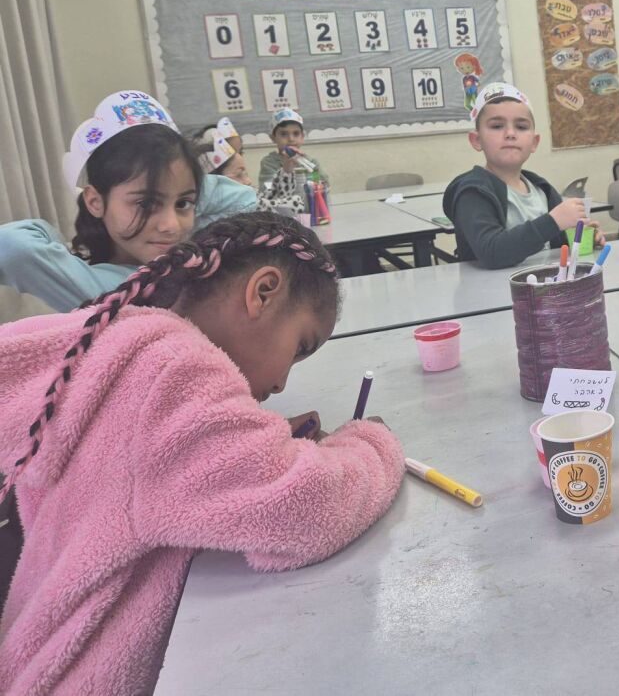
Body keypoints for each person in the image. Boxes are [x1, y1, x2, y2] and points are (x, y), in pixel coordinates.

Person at [0, 212, 404, 694]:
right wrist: (369, 443)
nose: (281, 383)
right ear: (263, 292)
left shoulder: (127, 344)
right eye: (299, 348)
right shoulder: (174, 372)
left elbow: (169, 468)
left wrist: (264, 437)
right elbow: (307, 507)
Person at [0, 91, 257, 313]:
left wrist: (180, 185)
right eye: (146, 204)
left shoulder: (183, 262)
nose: (171, 226)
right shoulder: (107, 287)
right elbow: (12, 246)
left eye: (183, 204)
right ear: (94, 202)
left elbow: (244, 199)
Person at [443, 83, 601, 268]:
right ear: (477, 140)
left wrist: (581, 238)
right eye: (497, 126)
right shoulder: (473, 193)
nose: (510, 133)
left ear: (534, 142)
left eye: (521, 126)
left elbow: (555, 245)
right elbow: (492, 252)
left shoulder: (542, 190)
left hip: (544, 283)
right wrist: (553, 221)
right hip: (492, 286)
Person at [258, 109, 330, 203]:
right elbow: (267, 191)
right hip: (281, 210)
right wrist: (285, 170)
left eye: (296, 133)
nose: (291, 139)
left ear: (302, 137)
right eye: (284, 134)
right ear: (273, 138)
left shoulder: (311, 162)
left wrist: (315, 181)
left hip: (309, 208)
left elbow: (323, 185)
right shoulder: (269, 163)